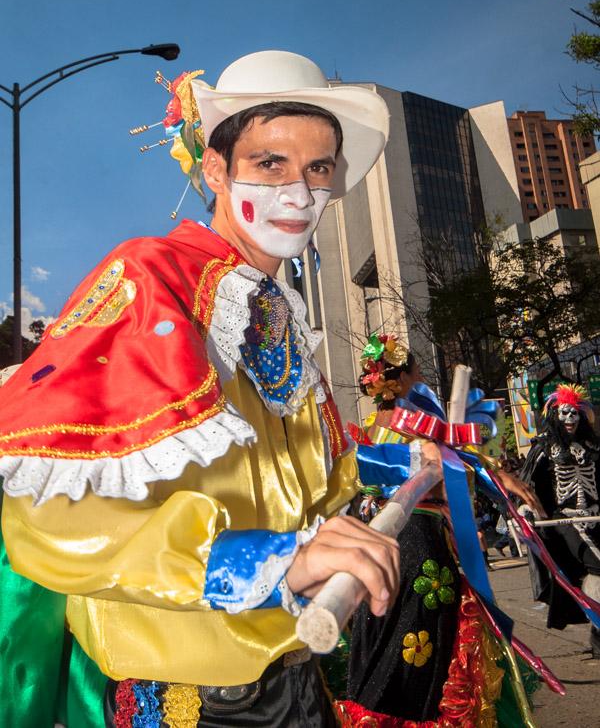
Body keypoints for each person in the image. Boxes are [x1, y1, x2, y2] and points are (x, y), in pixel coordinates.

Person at [0, 51, 419, 727]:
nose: (298, 192)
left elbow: (309, 478)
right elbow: (49, 516)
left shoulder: (277, 313)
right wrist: (270, 562)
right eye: (271, 163)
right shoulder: (149, 278)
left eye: (318, 168)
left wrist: (403, 461)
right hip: (186, 703)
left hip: (299, 682)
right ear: (216, 170)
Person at [338, 337, 544, 726]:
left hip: (375, 545)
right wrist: (498, 477)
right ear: (402, 379)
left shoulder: (367, 433)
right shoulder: (420, 427)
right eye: (417, 373)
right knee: (424, 645)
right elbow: (459, 463)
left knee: (383, 639)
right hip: (419, 542)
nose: (421, 379)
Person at [521, 383, 600, 658]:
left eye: (575, 413)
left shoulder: (592, 446)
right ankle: (599, 631)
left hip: (595, 515)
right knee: (596, 564)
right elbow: (528, 484)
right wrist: (526, 508)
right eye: (565, 413)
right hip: (565, 520)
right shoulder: (545, 448)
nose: (571, 419)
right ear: (556, 415)